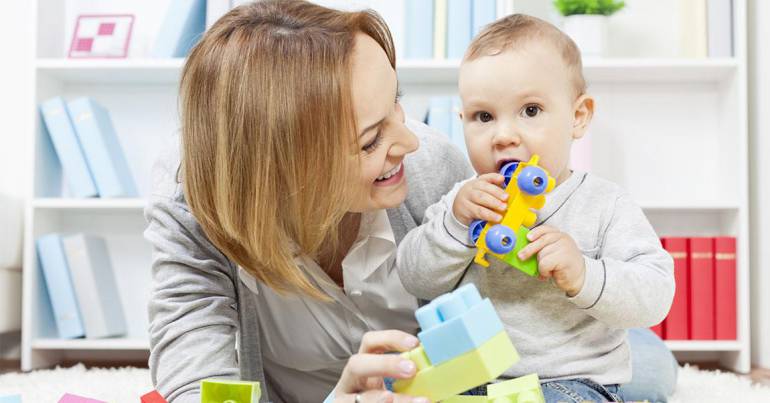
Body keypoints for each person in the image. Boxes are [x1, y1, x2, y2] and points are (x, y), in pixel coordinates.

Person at [144, 2, 677, 402]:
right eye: (371, 139)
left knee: (646, 370)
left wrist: (584, 278)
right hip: (467, 370)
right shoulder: (194, 200)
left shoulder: (434, 166)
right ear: (285, 172)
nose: (411, 141)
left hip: (540, 346)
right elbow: (194, 368)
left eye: (397, 100)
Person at [396, 14, 677, 403]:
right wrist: (456, 225)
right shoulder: (464, 201)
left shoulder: (604, 203)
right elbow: (414, 277)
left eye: (530, 110)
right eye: (483, 117)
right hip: (466, 379)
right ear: (462, 120)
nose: (503, 136)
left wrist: (584, 273)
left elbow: (656, 294)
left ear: (577, 117)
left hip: (567, 381)